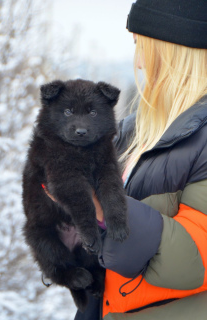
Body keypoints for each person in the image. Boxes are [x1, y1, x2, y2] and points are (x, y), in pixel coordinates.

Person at [74, 0, 207, 319]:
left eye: (141, 45)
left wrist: (101, 205)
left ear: (171, 49)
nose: (140, 63)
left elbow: (194, 261)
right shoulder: (132, 132)